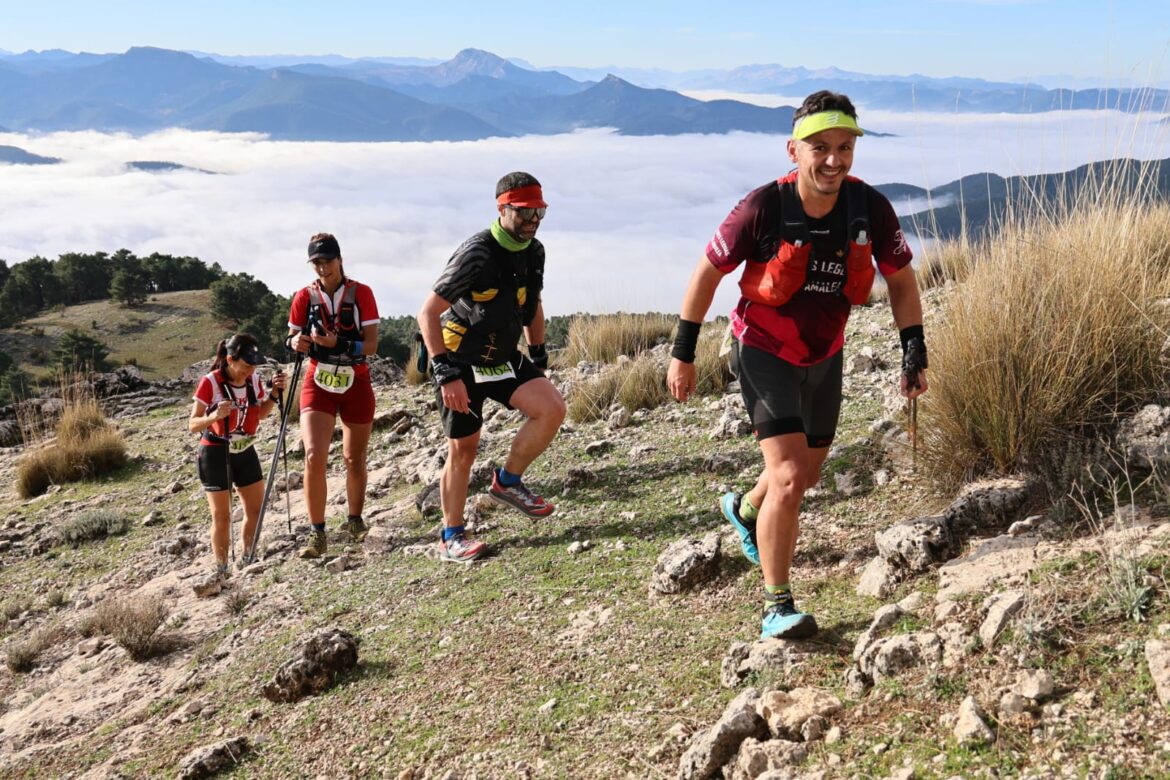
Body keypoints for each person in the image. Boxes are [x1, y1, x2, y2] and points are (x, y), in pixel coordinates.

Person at [667, 91, 928, 640]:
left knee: (803, 476)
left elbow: (901, 279)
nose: (833, 159)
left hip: (825, 353)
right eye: (819, 148)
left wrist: (913, 350)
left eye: (844, 147)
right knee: (788, 479)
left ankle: (742, 508)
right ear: (793, 150)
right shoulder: (763, 206)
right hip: (763, 350)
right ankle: (776, 605)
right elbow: (707, 272)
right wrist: (682, 352)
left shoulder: (869, 208)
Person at [418, 171, 566, 563]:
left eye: (540, 213)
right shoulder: (477, 253)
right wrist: (445, 373)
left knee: (551, 408)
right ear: (502, 209)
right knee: (463, 449)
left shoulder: (535, 251)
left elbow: (531, 304)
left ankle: (509, 482)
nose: (533, 222)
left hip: (502, 356)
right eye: (525, 214)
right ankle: (451, 536)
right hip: (460, 359)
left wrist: (538, 356)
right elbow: (427, 313)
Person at [287, 233, 379, 559]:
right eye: (316, 263)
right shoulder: (303, 297)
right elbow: (292, 337)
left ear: (339, 259)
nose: (322, 268)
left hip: (356, 379)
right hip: (318, 381)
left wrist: (337, 344)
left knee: (354, 458)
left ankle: (354, 520)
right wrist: (295, 343)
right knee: (314, 456)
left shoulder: (362, 293)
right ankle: (317, 533)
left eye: (327, 261)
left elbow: (371, 345)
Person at [189, 333, 287, 585]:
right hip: (214, 452)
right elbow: (192, 424)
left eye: (254, 366)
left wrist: (275, 394)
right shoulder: (210, 382)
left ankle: (247, 558)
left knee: (255, 509)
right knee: (221, 515)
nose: (250, 371)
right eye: (245, 366)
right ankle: (220, 570)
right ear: (230, 360)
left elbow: (261, 414)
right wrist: (213, 416)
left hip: (245, 450)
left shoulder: (253, 379)